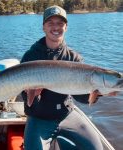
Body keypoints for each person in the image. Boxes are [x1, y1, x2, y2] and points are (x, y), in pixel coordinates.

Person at [20, 5, 103, 150]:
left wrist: (99, 91)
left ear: (66, 27)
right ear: (44, 27)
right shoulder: (31, 56)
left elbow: (82, 98)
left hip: (66, 115)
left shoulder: (73, 58)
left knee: (95, 148)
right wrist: (34, 94)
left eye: (60, 23)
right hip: (39, 118)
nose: (55, 27)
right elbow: (26, 99)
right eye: (50, 23)